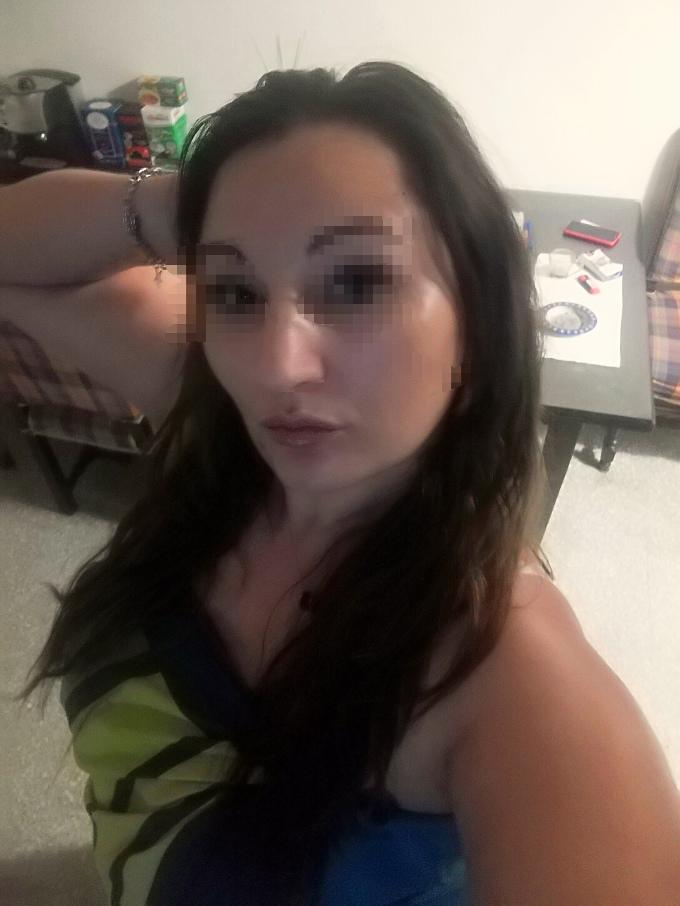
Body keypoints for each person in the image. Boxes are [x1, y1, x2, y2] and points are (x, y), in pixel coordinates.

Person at [5, 62, 680, 905]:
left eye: (357, 283)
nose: (278, 367)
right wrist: (201, 204)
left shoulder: (505, 668)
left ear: (475, 328)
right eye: (236, 289)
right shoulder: (217, 420)